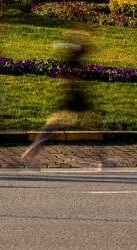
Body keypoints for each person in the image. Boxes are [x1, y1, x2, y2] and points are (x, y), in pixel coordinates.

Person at [22, 27, 105, 169]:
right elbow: (86, 49)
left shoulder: (71, 61)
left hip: (70, 94)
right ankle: (102, 160)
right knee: (93, 127)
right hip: (77, 97)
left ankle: (33, 151)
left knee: (54, 125)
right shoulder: (76, 62)